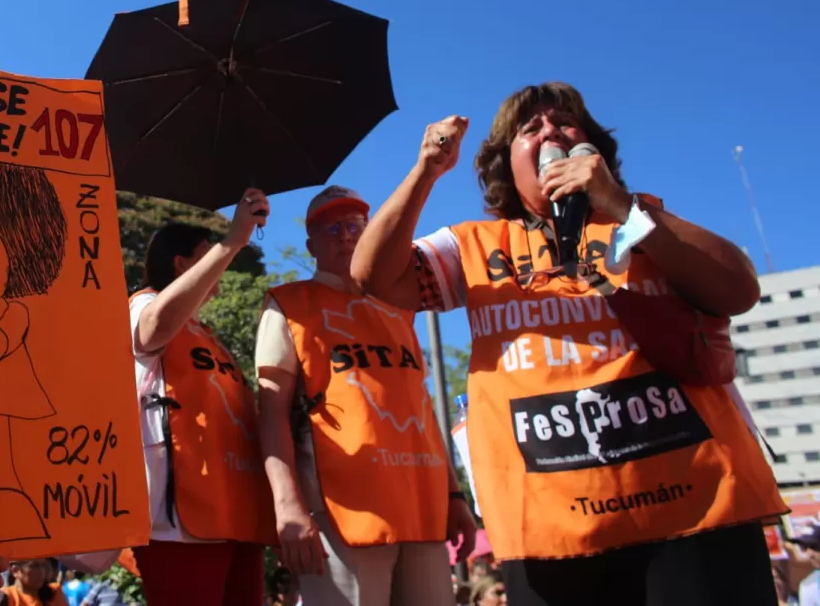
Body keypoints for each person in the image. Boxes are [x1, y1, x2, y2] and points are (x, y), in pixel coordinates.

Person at [352, 82, 785, 606]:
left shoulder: (642, 220)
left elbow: (739, 289)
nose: (551, 132)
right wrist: (427, 171)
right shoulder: (475, 245)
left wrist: (619, 204)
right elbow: (371, 276)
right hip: (549, 532)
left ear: (595, 150)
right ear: (505, 165)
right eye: (529, 130)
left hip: (700, 513)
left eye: (565, 124)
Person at [257, 185, 475, 605]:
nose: (346, 234)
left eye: (357, 225)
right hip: (340, 516)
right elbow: (271, 414)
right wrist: (287, 507)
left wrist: (454, 496)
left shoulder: (401, 309)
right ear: (311, 244)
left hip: (422, 508)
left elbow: (422, 409)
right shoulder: (288, 304)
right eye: (332, 227)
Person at [129, 189, 277, 606]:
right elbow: (153, 328)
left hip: (238, 515)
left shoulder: (208, 335)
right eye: (208, 256)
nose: (222, 268)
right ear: (181, 265)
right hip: (180, 521)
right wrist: (234, 241)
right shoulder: (144, 303)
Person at [0, 559, 68, 606]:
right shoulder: (6, 596)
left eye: (43, 565)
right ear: (15, 571)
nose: (42, 572)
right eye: (34, 566)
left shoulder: (54, 591)